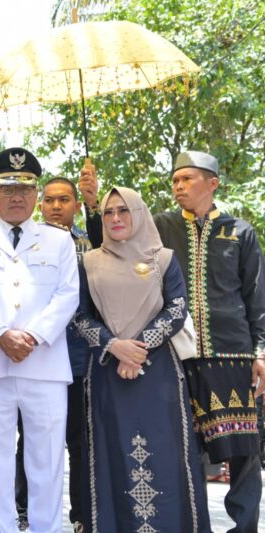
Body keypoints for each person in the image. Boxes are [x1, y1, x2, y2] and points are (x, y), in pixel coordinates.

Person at [79, 151, 265, 531]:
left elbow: (256, 296)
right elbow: (113, 250)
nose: (178, 186)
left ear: (212, 183)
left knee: (243, 451)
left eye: (187, 179)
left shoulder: (240, 231)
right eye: (175, 180)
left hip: (232, 355)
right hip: (177, 356)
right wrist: (92, 203)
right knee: (182, 448)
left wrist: (261, 351)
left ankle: (244, 527)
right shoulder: (160, 226)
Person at [0, 148, 79, 533]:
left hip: (45, 365)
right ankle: (2, 528)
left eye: (25, 187)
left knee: (47, 459)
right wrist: (0, 335)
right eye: (7, 188)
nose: (17, 195)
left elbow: (68, 294)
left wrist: (33, 336)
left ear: (36, 194)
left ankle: (47, 529)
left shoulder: (59, 241)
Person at [74, 186, 211, 532]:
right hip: (108, 373)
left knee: (167, 456)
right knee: (112, 456)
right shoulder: (88, 262)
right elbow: (80, 316)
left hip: (158, 373)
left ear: (138, 213)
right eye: (108, 212)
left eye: (123, 210)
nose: (116, 218)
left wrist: (138, 348)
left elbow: (177, 308)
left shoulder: (163, 258)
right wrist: (114, 346)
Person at [14, 177, 96, 532]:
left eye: (65, 199)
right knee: (29, 440)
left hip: (79, 358)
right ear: (39, 204)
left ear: (76, 205)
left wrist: (95, 205)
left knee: (79, 442)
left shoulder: (90, 245)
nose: (56, 206)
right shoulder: (21, 242)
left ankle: (80, 515)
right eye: (49, 200)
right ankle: (23, 510)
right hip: (31, 357)